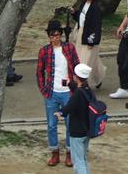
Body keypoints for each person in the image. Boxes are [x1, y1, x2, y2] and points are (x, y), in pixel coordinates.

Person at [38, 20, 81, 166]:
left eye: (57, 35)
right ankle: (54, 152)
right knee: (51, 124)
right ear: (49, 37)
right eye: (52, 36)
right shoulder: (44, 51)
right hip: (51, 92)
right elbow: (39, 72)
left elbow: (76, 66)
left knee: (70, 123)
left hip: (67, 92)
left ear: (61, 35)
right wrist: (43, 89)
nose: (54, 38)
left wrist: (76, 86)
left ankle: (69, 152)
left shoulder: (69, 48)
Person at [59, 63, 95, 173]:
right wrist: (70, 85)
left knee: (78, 161)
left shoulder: (78, 93)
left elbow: (69, 107)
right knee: (83, 158)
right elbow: (79, 93)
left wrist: (60, 113)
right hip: (87, 129)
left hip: (77, 132)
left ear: (76, 76)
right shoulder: (88, 90)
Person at [71, 0, 105, 90]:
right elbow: (81, 18)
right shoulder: (83, 4)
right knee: (91, 59)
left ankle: (83, 84)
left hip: (90, 37)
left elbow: (96, 26)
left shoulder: (96, 8)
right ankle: (98, 77)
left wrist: (92, 41)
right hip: (81, 33)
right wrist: (74, 13)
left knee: (84, 61)